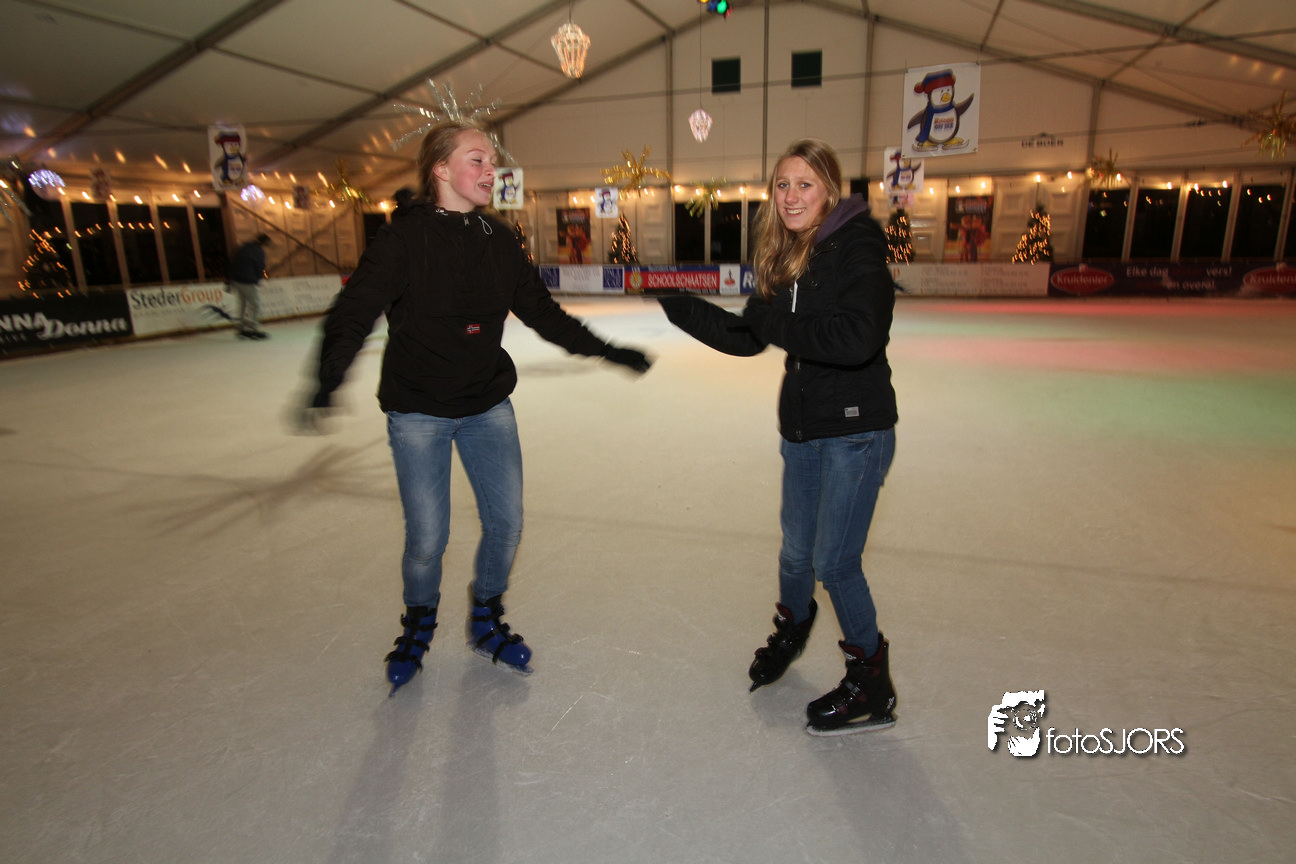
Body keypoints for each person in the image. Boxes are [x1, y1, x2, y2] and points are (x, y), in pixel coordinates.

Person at [303, 119, 652, 696]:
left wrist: (607, 349)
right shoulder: (403, 239)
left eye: (493, 161)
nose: (492, 170)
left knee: (507, 524)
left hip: (487, 405)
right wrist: (329, 374)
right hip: (418, 411)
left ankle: (486, 617)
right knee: (427, 538)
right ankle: (418, 625)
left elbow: (543, 314)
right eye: (478, 160)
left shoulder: (499, 240)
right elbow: (355, 308)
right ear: (440, 169)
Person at [658, 139, 898, 736]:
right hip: (804, 429)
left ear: (830, 191)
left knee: (834, 562)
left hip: (855, 431)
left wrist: (776, 322)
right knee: (795, 552)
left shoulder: (857, 243)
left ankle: (872, 681)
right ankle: (793, 627)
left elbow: (858, 337)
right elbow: (748, 336)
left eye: (804, 184)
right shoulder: (786, 253)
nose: (790, 196)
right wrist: (677, 304)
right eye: (782, 185)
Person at [228, 233, 271, 339]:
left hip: (236, 279)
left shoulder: (243, 247)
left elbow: (231, 262)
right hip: (247, 280)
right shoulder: (258, 251)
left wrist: (229, 279)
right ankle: (252, 327)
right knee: (255, 304)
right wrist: (258, 278)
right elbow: (260, 266)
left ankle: (240, 327)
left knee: (242, 304)